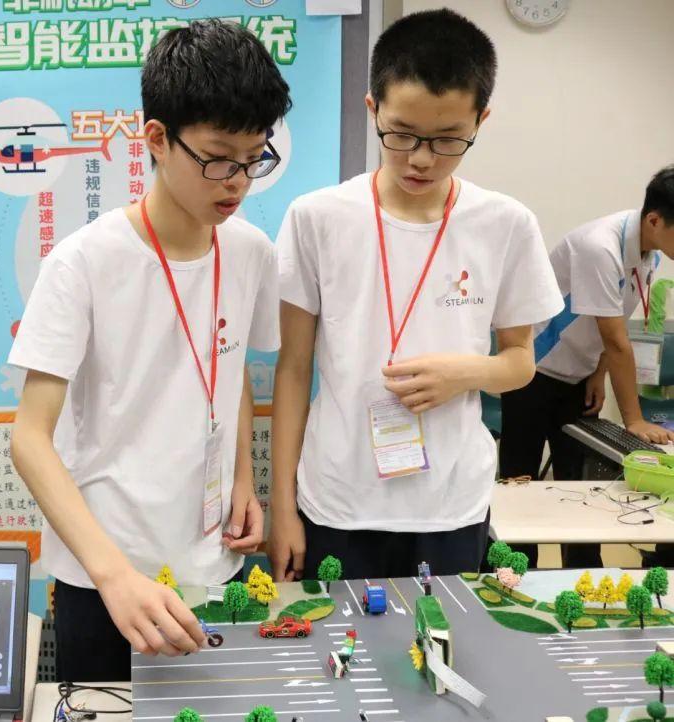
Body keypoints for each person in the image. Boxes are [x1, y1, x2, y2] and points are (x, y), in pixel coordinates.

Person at [9, 19, 290, 681]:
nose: (238, 181)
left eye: (255, 158)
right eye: (218, 159)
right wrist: (113, 576)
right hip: (105, 576)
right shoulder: (83, 263)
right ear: (157, 139)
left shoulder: (251, 252)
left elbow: (229, 373)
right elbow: (29, 439)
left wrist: (244, 481)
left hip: (214, 560)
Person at [270, 8, 563, 583]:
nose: (421, 158)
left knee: (443, 637)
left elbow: (520, 362)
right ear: (372, 109)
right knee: (340, 639)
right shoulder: (317, 218)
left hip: (451, 504)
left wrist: (464, 373)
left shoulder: (505, 224)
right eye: (401, 134)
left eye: (448, 139)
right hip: (337, 499)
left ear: (480, 119)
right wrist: (282, 507)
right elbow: (294, 368)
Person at [500, 165, 674, 569]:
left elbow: (610, 321)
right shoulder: (600, 247)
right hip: (532, 372)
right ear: (654, 220)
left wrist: (597, 374)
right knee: (520, 483)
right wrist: (634, 420)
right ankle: (513, 575)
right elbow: (616, 339)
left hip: (577, 374)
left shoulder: (648, 252)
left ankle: (584, 574)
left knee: (581, 488)